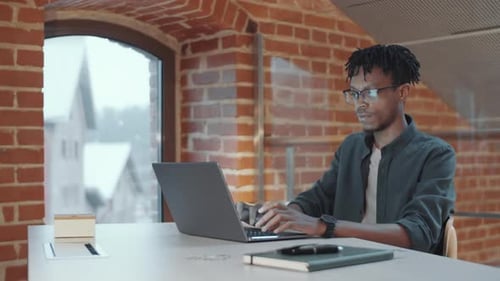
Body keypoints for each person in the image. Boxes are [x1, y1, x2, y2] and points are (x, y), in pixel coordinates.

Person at [255, 44, 456, 253]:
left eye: (370, 93)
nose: (360, 103)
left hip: (402, 267)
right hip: (345, 261)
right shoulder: (351, 146)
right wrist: (287, 214)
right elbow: (318, 198)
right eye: (354, 93)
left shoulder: (436, 154)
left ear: (402, 92)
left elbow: (419, 233)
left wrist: (325, 227)